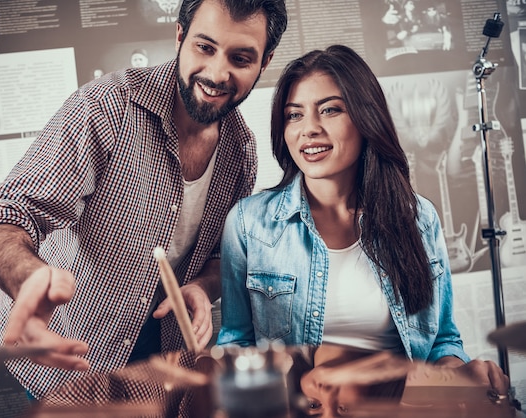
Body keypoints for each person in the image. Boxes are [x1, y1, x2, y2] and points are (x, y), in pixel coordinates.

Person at [0, 0, 288, 401]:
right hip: (62, 357)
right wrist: (28, 276)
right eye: (205, 47)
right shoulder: (106, 107)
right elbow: (4, 216)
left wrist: (202, 287)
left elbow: (219, 256)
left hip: (158, 364)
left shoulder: (241, 152)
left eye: (240, 58)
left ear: (265, 60)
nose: (217, 73)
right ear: (180, 35)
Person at [216, 45, 510, 402]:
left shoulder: (417, 218)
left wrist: (463, 376)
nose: (309, 129)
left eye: (330, 110)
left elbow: (442, 342)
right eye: (294, 115)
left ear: (365, 117)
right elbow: (236, 343)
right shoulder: (249, 223)